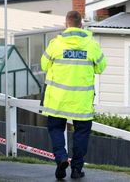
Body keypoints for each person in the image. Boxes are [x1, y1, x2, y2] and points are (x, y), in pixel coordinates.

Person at [40, 10, 107, 180]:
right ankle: (77, 169)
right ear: (81, 25)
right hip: (81, 102)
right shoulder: (92, 45)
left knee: (55, 129)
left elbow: (43, 65)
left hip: (58, 100)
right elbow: (101, 68)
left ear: (66, 24)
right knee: (81, 134)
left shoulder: (55, 44)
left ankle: (61, 158)